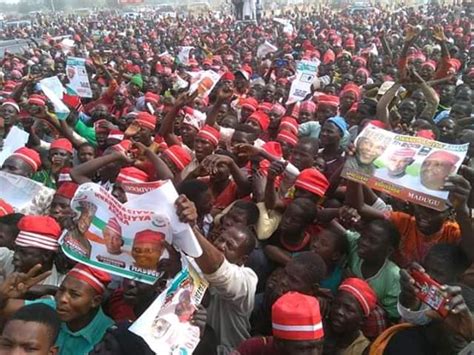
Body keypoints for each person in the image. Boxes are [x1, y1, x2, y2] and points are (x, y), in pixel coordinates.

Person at [176, 195, 258, 354]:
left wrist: (192, 228)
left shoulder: (247, 280)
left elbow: (219, 270)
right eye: (220, 239)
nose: (220, 246)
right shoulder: (198, 264)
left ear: (243, 259)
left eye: (230, 245)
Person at [0, 263, 114, 355]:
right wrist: (3, 295)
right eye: (61, 290)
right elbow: (4, 309)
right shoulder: (48, 308)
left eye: (74, 294)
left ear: (96, 301)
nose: (62, 299)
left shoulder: (109, 334)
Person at [236, 292, 324, 355]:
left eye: (319, 346)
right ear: (278, 344)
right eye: (304, 349)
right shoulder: (253, 350)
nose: (315, 353)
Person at [324, 278, 377, 354]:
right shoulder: (321, 334)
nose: (339, 311)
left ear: (363, 320)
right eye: (336, 304)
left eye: (349, 309)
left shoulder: (363, 350)